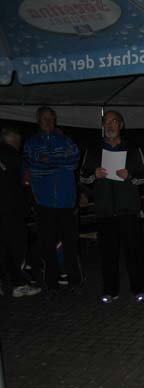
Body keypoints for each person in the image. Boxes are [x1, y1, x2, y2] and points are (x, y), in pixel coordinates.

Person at [80, 111, 144, 303]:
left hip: (128, 209)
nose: (110, 125)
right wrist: (94, 174)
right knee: (108, 254)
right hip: (104, 210)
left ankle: (139, 289)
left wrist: (130, 176)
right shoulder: (94, 149)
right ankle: (110, 291)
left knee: (133, 252)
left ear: (121, 125)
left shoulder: (133, 148)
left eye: (114, 121)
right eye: (106, 122)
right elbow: (83, 176)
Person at [23, 106, 82, 296]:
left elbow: (74, 161)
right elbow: (34, 165)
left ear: (55, 120)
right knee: (47, 245)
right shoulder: (32, 143)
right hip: (44, 203)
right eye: (44, 118)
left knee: (70, 245)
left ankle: (75, 281)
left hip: (66, 202)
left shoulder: (66, 140)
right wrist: (60, 161)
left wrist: (49, 161)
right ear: (38, 121)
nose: (48, 122)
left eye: (51, 118)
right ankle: (52, 284)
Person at [0, 126, 41, 298]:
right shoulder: (15, 158)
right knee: (16, 246)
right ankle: (19, 283)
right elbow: (26, 182)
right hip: (12, 210)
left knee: (3, 246)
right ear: (14, 139)